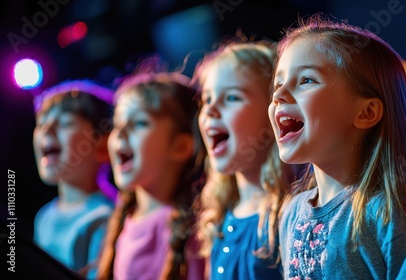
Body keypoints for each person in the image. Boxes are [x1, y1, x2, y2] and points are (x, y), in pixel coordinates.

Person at [269, 16, 406, 279]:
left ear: (366, 112)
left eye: (306, 80)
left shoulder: (383, 215)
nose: (278, 95)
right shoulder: (290, 214)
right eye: (278, 84)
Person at [194, 39, 293, 279]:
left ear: (274, 114)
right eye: (207, 99)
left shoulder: (289, 216)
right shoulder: (218, 218)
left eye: (231, 98)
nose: (210, 110)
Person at [96, 69, 206, 280]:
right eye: (117, 123)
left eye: (139, 123)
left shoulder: (191, 232)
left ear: (181, 146)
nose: (120, 132)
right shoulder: (123, 219)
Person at [32, 80, 116, 279]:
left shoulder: (105, 218)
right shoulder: (44, 217)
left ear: (103, 147)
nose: (47, 129)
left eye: (65, 123)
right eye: (41, 122)